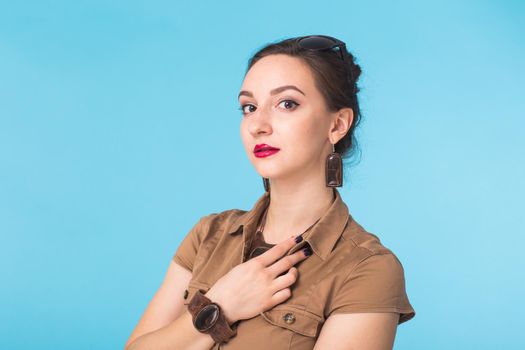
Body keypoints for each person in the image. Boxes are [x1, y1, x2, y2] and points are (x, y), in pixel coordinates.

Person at [125, 35, 416, 350]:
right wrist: (221, 307)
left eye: (287, 103)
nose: (258, 125)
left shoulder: (367, 268)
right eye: (249, 107)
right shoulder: (208, 236)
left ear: (337, 124)